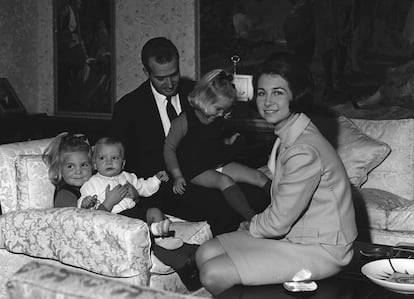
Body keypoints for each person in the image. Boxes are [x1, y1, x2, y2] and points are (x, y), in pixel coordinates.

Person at [195, 52, 358, 295]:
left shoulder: (303, 149)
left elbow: (278, 222)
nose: (267, 101)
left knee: (213, 272)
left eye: (278, 92)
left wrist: (251, 225)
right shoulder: (292, 130)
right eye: (262, 92)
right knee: (204, 252)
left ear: (296, 95)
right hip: (295, 234)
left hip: (321, 248)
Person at [110, 36, 270, 235]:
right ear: (146, 72)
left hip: (206, 167)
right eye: (161, 78)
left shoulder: (198, 92)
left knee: (257, 195)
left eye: (174, 74)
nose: (169, 84)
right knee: (223, 209)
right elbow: (118, 160)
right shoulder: (128, 108)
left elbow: (217, 134)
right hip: (167, 188)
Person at [42, 132, 202, 291]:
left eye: (84, 165)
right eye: (70, 166)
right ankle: (182, 261)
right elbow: (77, 226)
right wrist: (108, 203)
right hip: (98, 238)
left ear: (92, 164)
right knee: (146, 243)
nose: (78, 171)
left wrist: (135, 196)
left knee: (149, 225)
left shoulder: (97, 181)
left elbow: (130, 203)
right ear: (60, 169)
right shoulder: (66, 194)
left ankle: (189, 251)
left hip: (124, 223)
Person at [164, 69, 271, 221]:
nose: (221, 114)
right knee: (224, 181)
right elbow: (169, 148)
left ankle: (285, 205)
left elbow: (211, 141)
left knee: (258, 176)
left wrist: (229, 142)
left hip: (213, 160)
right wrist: (177, 176)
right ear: (204, 100)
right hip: (193, 168)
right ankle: (253, 220)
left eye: (225, 110)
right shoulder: (184, 121)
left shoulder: (215, 117)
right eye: (219, 109)